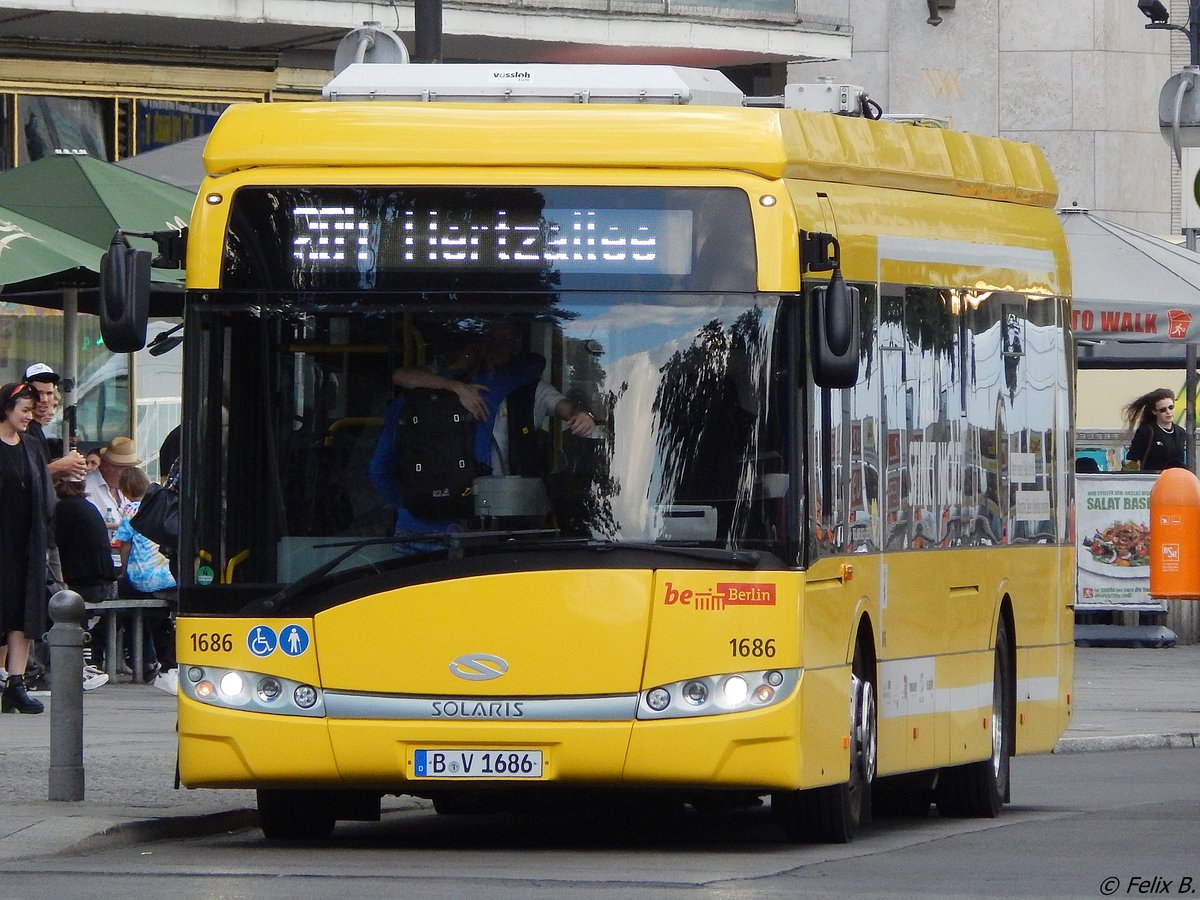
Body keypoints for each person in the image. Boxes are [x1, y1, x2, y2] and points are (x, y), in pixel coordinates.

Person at [369, 331, 545, 543]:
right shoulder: (486, 389)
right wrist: (492, 356)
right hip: (466, 528)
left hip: (412, 527)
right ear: (475, 352)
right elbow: (537, 362)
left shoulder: (403, 402)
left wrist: (412, 504)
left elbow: (378, 470)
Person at [0, 383, 56, 714]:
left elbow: (45, 494)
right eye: (23, 410)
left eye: (30, 411)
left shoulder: (32, 447)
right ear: (6, 409)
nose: (28, 416)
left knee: (23, 610)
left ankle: (16, 683)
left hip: (27, 540)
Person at [52, 476, 114, 691]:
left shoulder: (62, 510)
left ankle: (80, 664)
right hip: (102, 579)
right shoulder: (88, 507)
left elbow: (53, 544)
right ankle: (88, 658)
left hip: (84, 582)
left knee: (52, 605)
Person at [114, 465, 175, 679]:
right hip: (169, 577)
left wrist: (122, 571)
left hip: (143, 579)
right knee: (156, 617)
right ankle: (162, 660)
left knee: (125, 605)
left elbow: (124, 544)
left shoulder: (131, 510)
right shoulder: (160, 506)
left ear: (125, 488)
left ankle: (143, 659)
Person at [22, 363, 88, 483]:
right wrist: (61, 465)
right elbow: (25, 480)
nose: (45, 400)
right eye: (39, 393)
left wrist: (66, 468)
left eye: (49, 393)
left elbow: (41, 479)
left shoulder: (35, 428)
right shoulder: (21, 429)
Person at [83, 436, 142, 567]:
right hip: (100, 562)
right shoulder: (86, 487)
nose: (130, 474)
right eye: (125, 469)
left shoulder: (128, 488)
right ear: (106, 466)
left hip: (131, 564)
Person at [1123, 388, 1187, 473]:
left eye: (1171, 407)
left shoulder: (1180, 432)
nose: (1168, 412)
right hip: (1152, 481)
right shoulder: (1146, 432)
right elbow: (1132, 459)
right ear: (1154, 412)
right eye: (1163, 410)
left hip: (1175, 480)